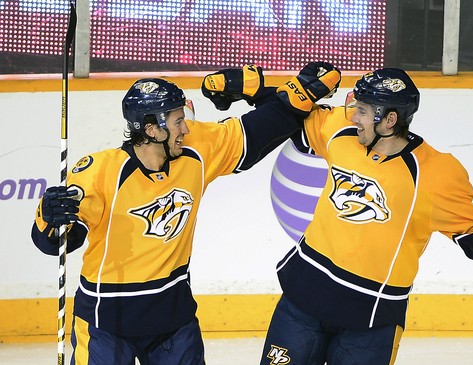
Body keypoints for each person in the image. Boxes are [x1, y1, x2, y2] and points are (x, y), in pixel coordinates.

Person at [213, 67, 473, 364]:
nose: (353, 116)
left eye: (362, 110)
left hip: (371, 318)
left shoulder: (436, 173)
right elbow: (297, 112)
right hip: (302, 300)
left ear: (389, 120)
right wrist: (262, 92)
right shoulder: (342, 132)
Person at [30, 63, 340, 365]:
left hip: (172, 319)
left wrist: (293, 95)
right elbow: (61, 242)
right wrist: (49, 216)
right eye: (178, 121)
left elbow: (263, 129)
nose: (186, 128)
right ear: (152, 129)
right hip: (106, 320)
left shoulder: (196, 149)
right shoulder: (99, 171)